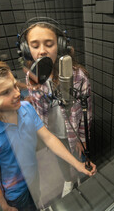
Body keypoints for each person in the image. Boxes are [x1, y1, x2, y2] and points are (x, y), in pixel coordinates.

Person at [0, 61, 96, 211]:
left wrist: (77, 163)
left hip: (34, 179)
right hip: (15, 195)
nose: (17, 93)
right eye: (5, 92)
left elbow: (49, 138)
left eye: (15, 85)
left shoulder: (26, 108)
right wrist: (3, 206)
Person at [21, 18, 93, 198]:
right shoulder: (33, 77)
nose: (42, 50)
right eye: (35, 45)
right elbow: (39, 110)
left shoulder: (78, 76)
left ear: (60, 46)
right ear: (27, 49)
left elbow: (87, 112)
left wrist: (82, 138)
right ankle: (68, 181)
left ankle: (82, 182)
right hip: (53, 133)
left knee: (80, 159)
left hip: (74, 132)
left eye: (49, 44)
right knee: (61, 160)